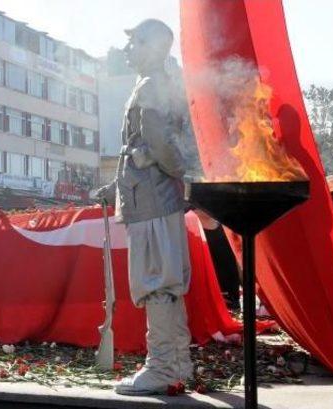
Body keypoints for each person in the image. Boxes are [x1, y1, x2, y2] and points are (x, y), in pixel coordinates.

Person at [97, 19, 192, 395]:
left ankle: (163, 367)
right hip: (150, 199)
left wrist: (166, 169)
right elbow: (146, 149)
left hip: (153, 202)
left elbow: (164, 149)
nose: (127, 49)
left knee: (157, 283)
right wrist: (116, 186)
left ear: (152, 48)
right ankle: (178, 364)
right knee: (163, 283)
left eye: (134, 42)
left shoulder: (152, 87)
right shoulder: (152, 85)